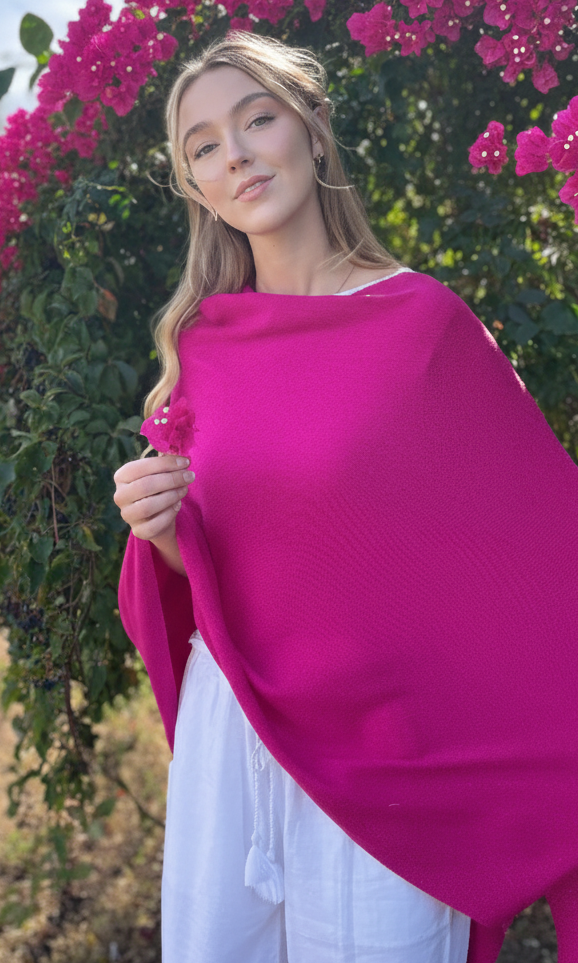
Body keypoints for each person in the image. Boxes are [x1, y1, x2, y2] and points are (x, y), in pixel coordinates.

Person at [113, 30, 578, 963]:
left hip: (390, 755)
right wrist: (157, 530)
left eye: (258, 119)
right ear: (195, 185)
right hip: (236, 730)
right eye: (204, 145)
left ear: (313, 131)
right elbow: (226, 568)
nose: (235, 154)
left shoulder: (422, 326)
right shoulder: (202, 346)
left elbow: (531, 554)